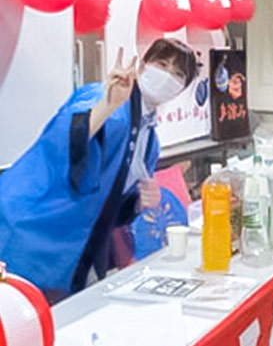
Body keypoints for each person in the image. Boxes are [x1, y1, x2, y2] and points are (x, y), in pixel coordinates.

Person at [0, 38, 198, 299]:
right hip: (28, 226)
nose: (167, 76)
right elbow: (65, 139)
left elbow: (112, 205)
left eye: (178, 74)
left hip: (68, 245)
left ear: (181, 89)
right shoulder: (103, 96)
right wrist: (108, 105)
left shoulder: (150, 141)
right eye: (162, 63)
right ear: (143, 65)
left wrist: (139, 203)